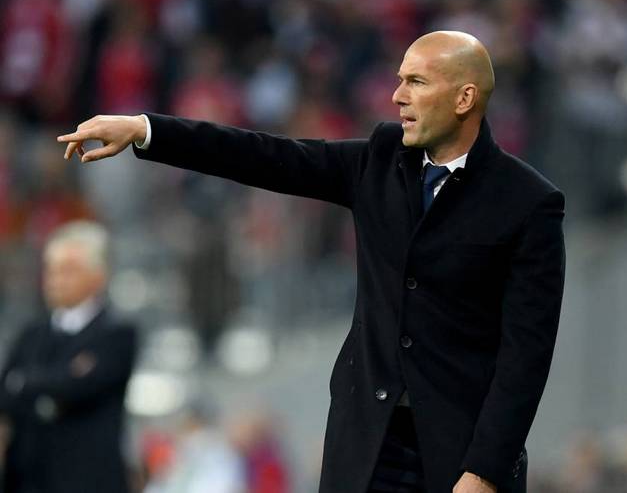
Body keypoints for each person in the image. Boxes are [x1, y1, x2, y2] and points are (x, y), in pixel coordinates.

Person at [57, 31, 565, 493]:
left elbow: (526, 357)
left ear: (464, 98)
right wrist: (147, 130)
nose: (397, 96)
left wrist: (484, 470)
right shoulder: (380, 160)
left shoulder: (528, 203)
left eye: (416, 82)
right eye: (399, 80)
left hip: (460, 457)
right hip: (366, 445)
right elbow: (263, 155)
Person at [0, 220, 137, 493]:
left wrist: (25, 382)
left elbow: (76, 387)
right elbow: (6, 395)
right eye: (50, 269)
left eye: (68, 270)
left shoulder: (116, 334)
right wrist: (56, 380)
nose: (55, 280)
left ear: (98, 276)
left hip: (88, 482)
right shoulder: (31, 334)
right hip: (29, 481)